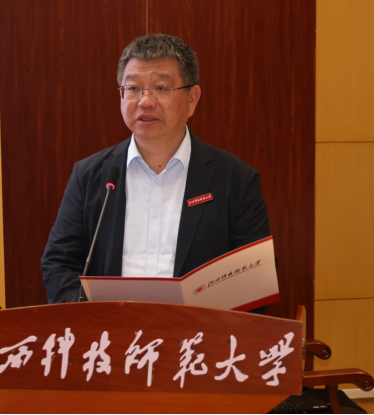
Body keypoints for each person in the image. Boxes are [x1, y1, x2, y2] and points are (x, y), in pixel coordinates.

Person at [41, 34, 272, 312]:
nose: (145, 101)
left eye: (161, 88)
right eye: (133, 88)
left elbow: (253, 278)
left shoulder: (236, 179)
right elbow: (59, 264)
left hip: (199, 336)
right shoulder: (90, 176)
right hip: (108, 333)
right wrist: (88, 320)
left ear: (192, 98)